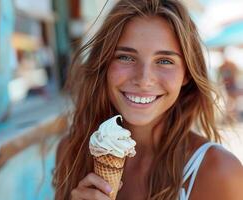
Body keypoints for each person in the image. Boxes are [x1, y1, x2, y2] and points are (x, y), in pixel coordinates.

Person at [53, 0, 243, 199]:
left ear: (187, 73)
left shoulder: (219, 171)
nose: (143, 80)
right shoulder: (71, 151)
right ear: (104, 64)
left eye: (164, 61)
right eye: (126, 57)